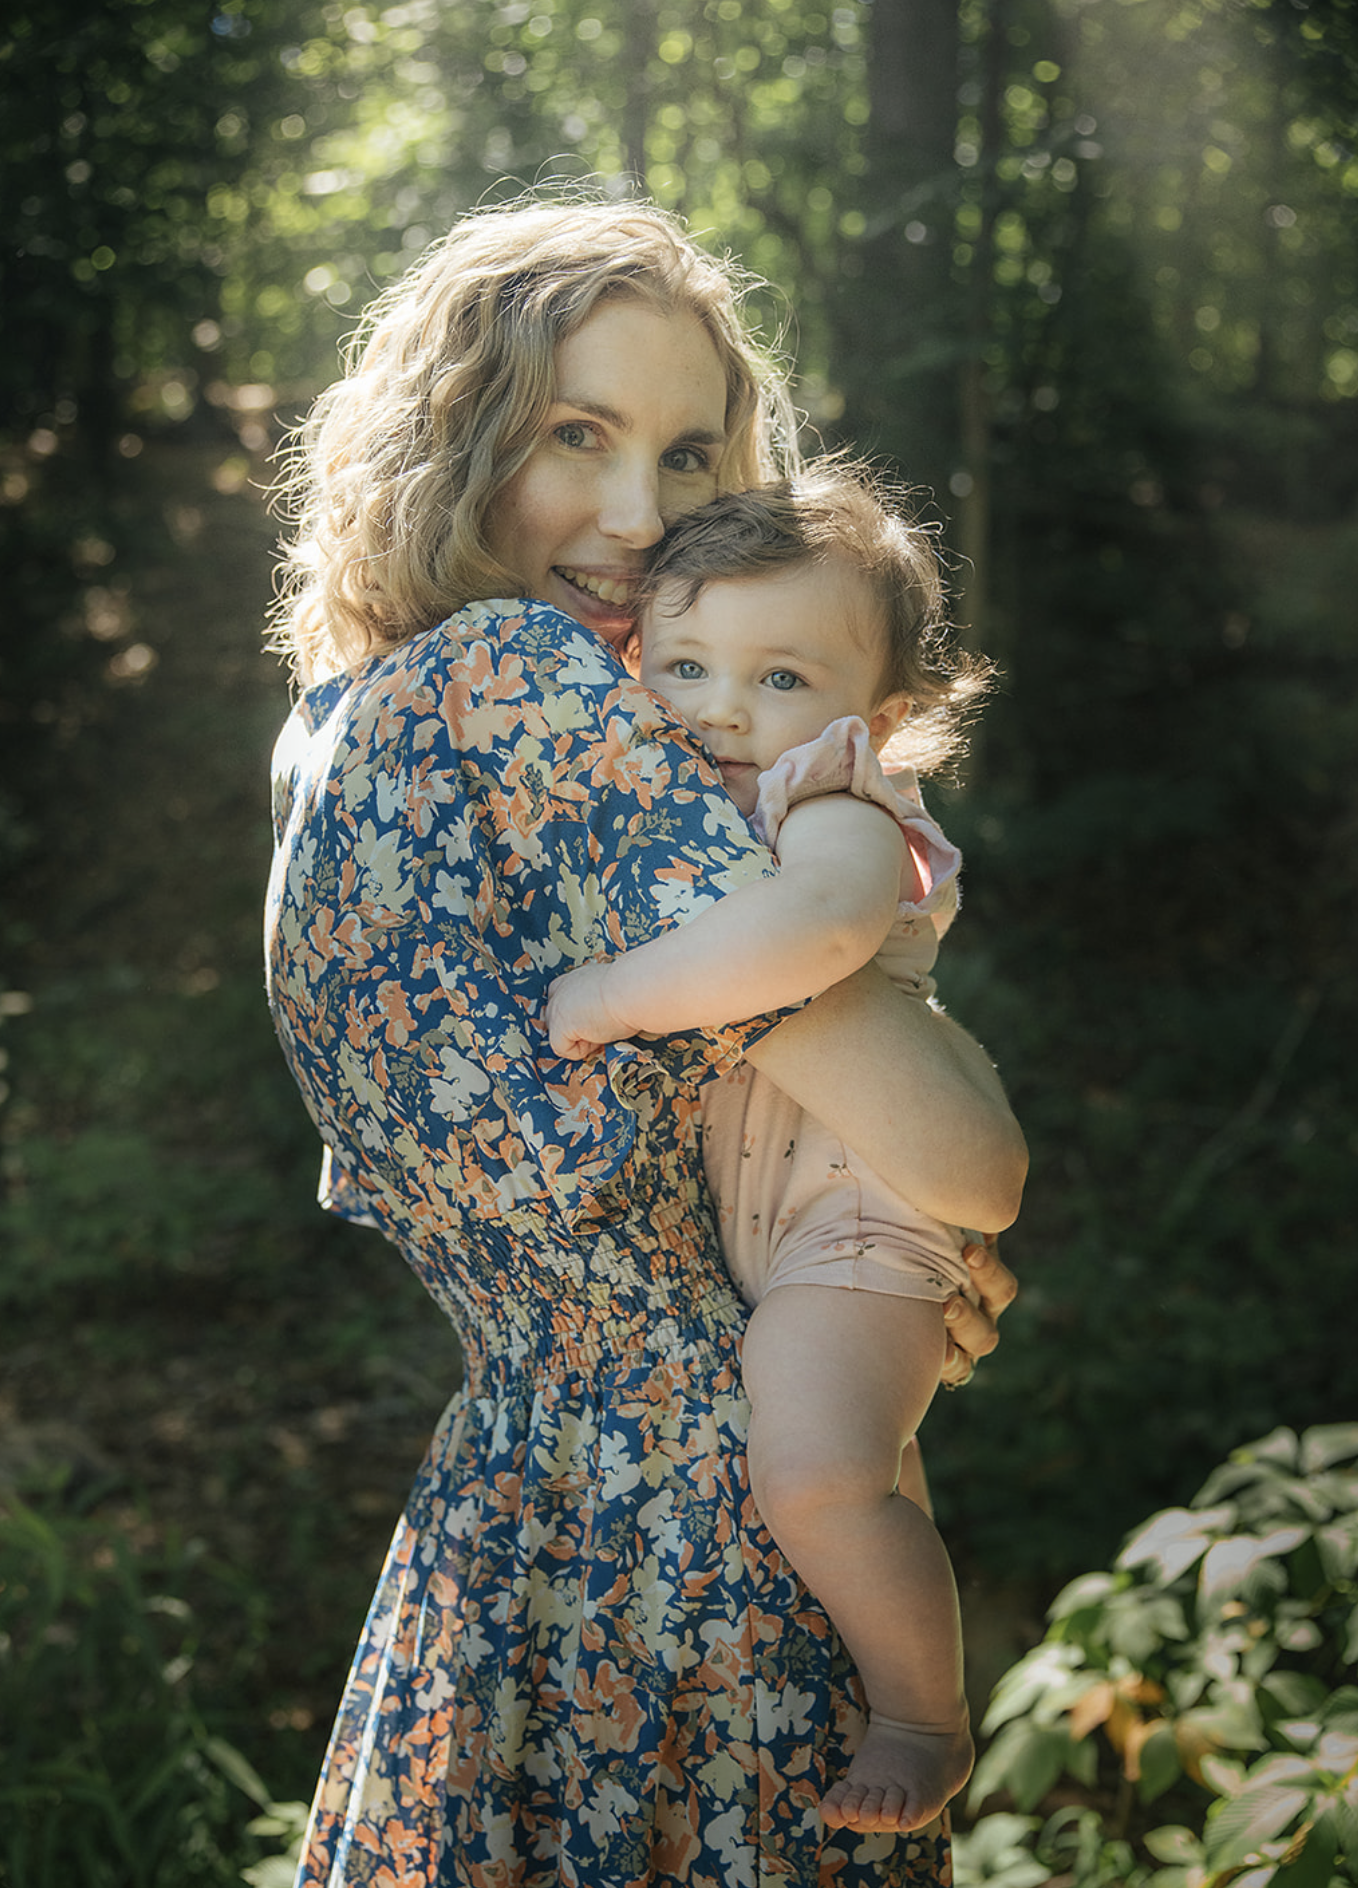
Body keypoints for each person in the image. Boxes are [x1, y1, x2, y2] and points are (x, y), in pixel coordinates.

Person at [264, 194, 1025, 1888]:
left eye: (690, 456)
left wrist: (854, 1279)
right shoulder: (530, 684)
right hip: (700, 1561)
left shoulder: (333, 731)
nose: (636, 515)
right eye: (573, 437)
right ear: (453, 444)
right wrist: (932, 1244)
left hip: (505, 1538)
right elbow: (964, 1154)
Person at [545, 465, 1005, 1836]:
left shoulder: (839, 811)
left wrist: (609, 997)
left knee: (812, 1474)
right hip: (770, 1213)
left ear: (883, 716)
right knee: (856, 1463)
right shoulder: (684, 777)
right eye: (682, 663)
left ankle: (924, 1715)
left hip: (851, 1208)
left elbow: (809, 941)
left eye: (782, 677)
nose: (721, 708)